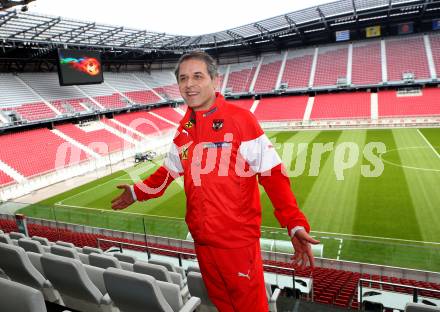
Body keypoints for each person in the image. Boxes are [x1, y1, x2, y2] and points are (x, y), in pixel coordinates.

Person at [111, 50, 319, 312]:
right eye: (183, 78)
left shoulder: (241, 120)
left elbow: (273, 175)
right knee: (224, 306)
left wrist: (294, 223)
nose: (189, 84)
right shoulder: (183, 131)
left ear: (215, 81)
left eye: (197, 76)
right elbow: (166, 174)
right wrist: (136, 191)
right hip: (203, 243)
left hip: (237, 245)